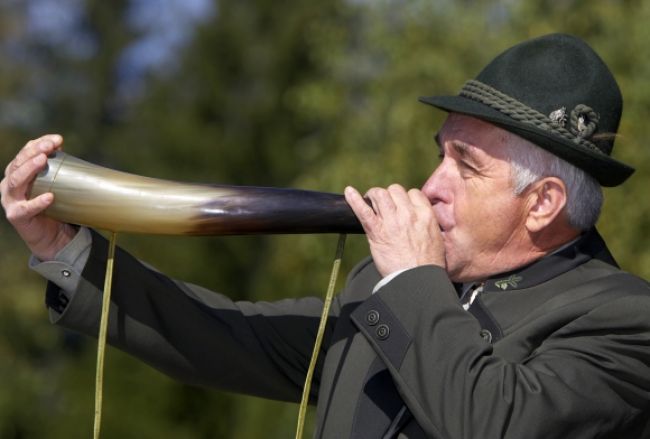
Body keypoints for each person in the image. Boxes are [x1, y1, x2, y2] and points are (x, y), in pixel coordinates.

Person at [2, 33, 649, 438]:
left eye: (466, 167)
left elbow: (496, 421)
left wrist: (413, 281)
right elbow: (225, 334)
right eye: (440, 154)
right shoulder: (393, 289)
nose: (429, 186)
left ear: (542, 203)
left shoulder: (624, 321)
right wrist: (65, 251)